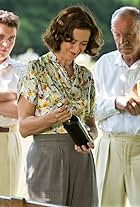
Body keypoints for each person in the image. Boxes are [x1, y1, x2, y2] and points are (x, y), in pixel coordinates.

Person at [17, 5, 103, 207]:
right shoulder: (35, 69)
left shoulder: (86, 76)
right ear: (58, 36)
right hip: (46, 159)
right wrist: (52, 118)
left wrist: (89, 137)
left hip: (82, 161)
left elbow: (91, 124)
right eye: (71, 41)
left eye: (83, 43)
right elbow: (23, 127)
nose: (76, 49)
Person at [92, 6, 140, 207]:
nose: (122, 41)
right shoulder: (104, 64)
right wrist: (116, 103)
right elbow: (89, 108)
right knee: (105, 203)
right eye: (117, 35)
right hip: (110, 145)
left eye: (129, 34)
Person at [0, 10, 23, 196]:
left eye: (11, 39)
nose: (5, 44)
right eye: (0, 37)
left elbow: (21, 111)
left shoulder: (21, 71)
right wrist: (12, 95)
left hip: (8, 141)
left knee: (6, 200)